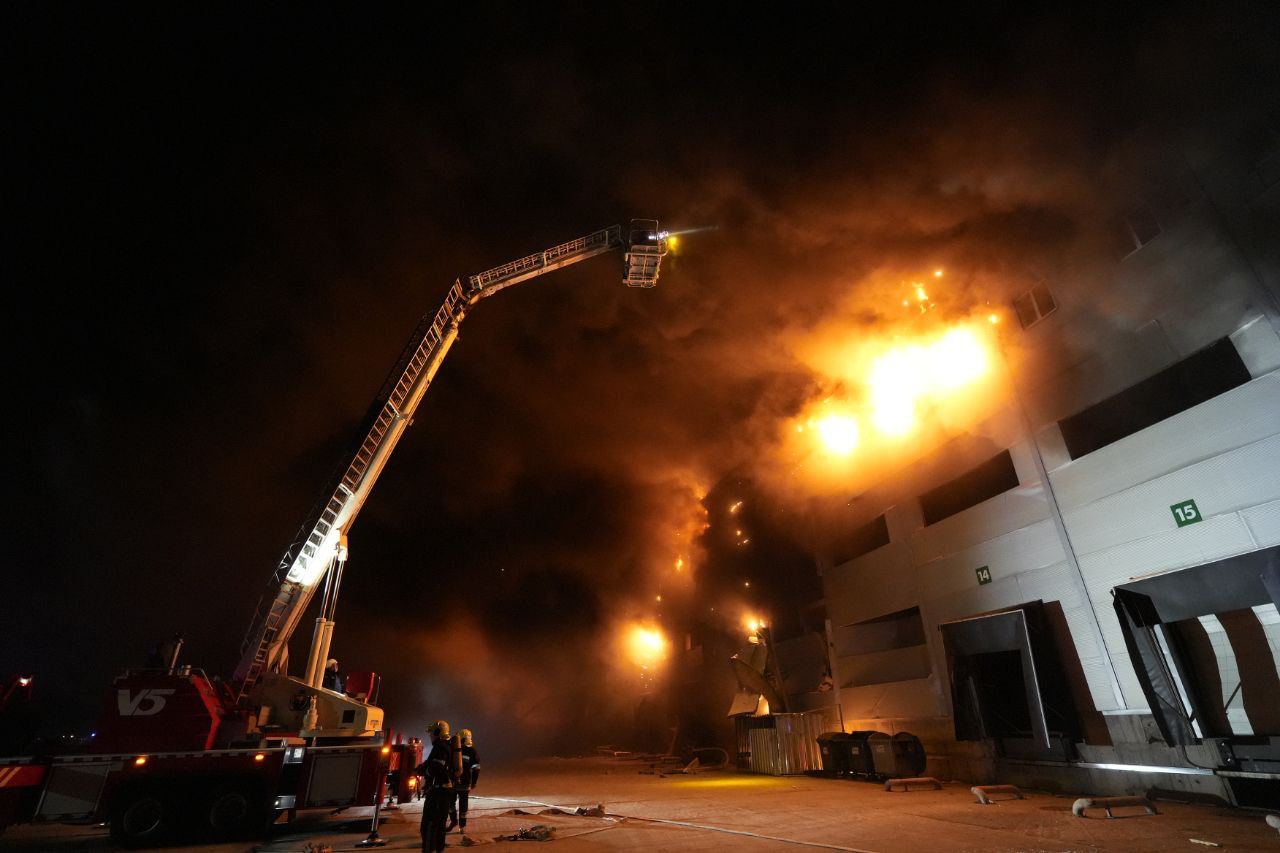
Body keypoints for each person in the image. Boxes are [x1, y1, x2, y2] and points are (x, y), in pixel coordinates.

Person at [415, 720, 455, 853]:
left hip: (439, 792)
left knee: (428, 827)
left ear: (438, 733)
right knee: (439, 827)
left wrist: (423, 771)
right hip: (443, 791)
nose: (430, 736)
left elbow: (436, 768)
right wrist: (422, 768)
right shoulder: (445, 746)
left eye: (432, 733)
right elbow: (432, 763)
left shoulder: (440, 747)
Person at [446, 728, 480, 833]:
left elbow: (476, 768)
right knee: (451, 803)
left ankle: (461, 826)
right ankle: (455, 822)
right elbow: (476, 768)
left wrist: (474, 782)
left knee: (461, 805)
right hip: (456, 782)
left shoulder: (470, 751)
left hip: (462, 783)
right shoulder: (455, 749)